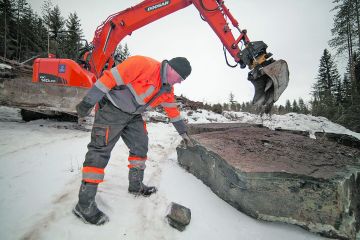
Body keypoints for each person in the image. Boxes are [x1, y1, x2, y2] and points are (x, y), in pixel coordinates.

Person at [73, 55, 193, 225]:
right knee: (99, 150)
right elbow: (108, 79)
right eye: (180, 78)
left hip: (133, 116)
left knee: (140, 145)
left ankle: (135, 185)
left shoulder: (167, 89)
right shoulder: (142, 64)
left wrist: (183, 133)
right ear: (172, 69)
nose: (180, 82)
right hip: (112, 109)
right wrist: (88, 102)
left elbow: (172, 111)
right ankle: (84, 205)